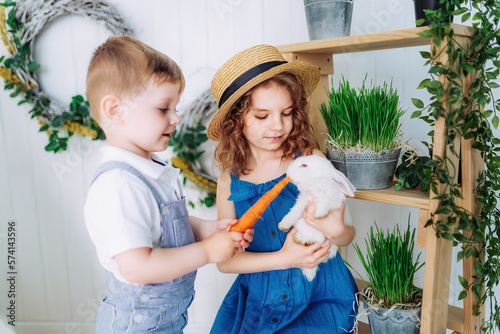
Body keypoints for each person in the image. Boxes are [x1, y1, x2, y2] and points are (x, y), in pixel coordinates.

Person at [83, 36, 252, 334]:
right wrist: (208, 252)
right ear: (114, 110)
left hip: (166, 323)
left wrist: (210, 229)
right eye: (163, 109)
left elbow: (169, 225)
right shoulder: (119, 185)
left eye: (175, 107)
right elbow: (137, 267)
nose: (176, 118)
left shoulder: (152, 171)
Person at [207, 44, 358, 333]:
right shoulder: (229, 177)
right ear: (235, 122)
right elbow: (225, 262)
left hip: (319, 292)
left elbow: (346, 234)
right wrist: (285, 258)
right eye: (262, 116)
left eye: (287, 113)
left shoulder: (310, 161)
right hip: (260, 299)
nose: (277, 126)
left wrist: (337, 230)